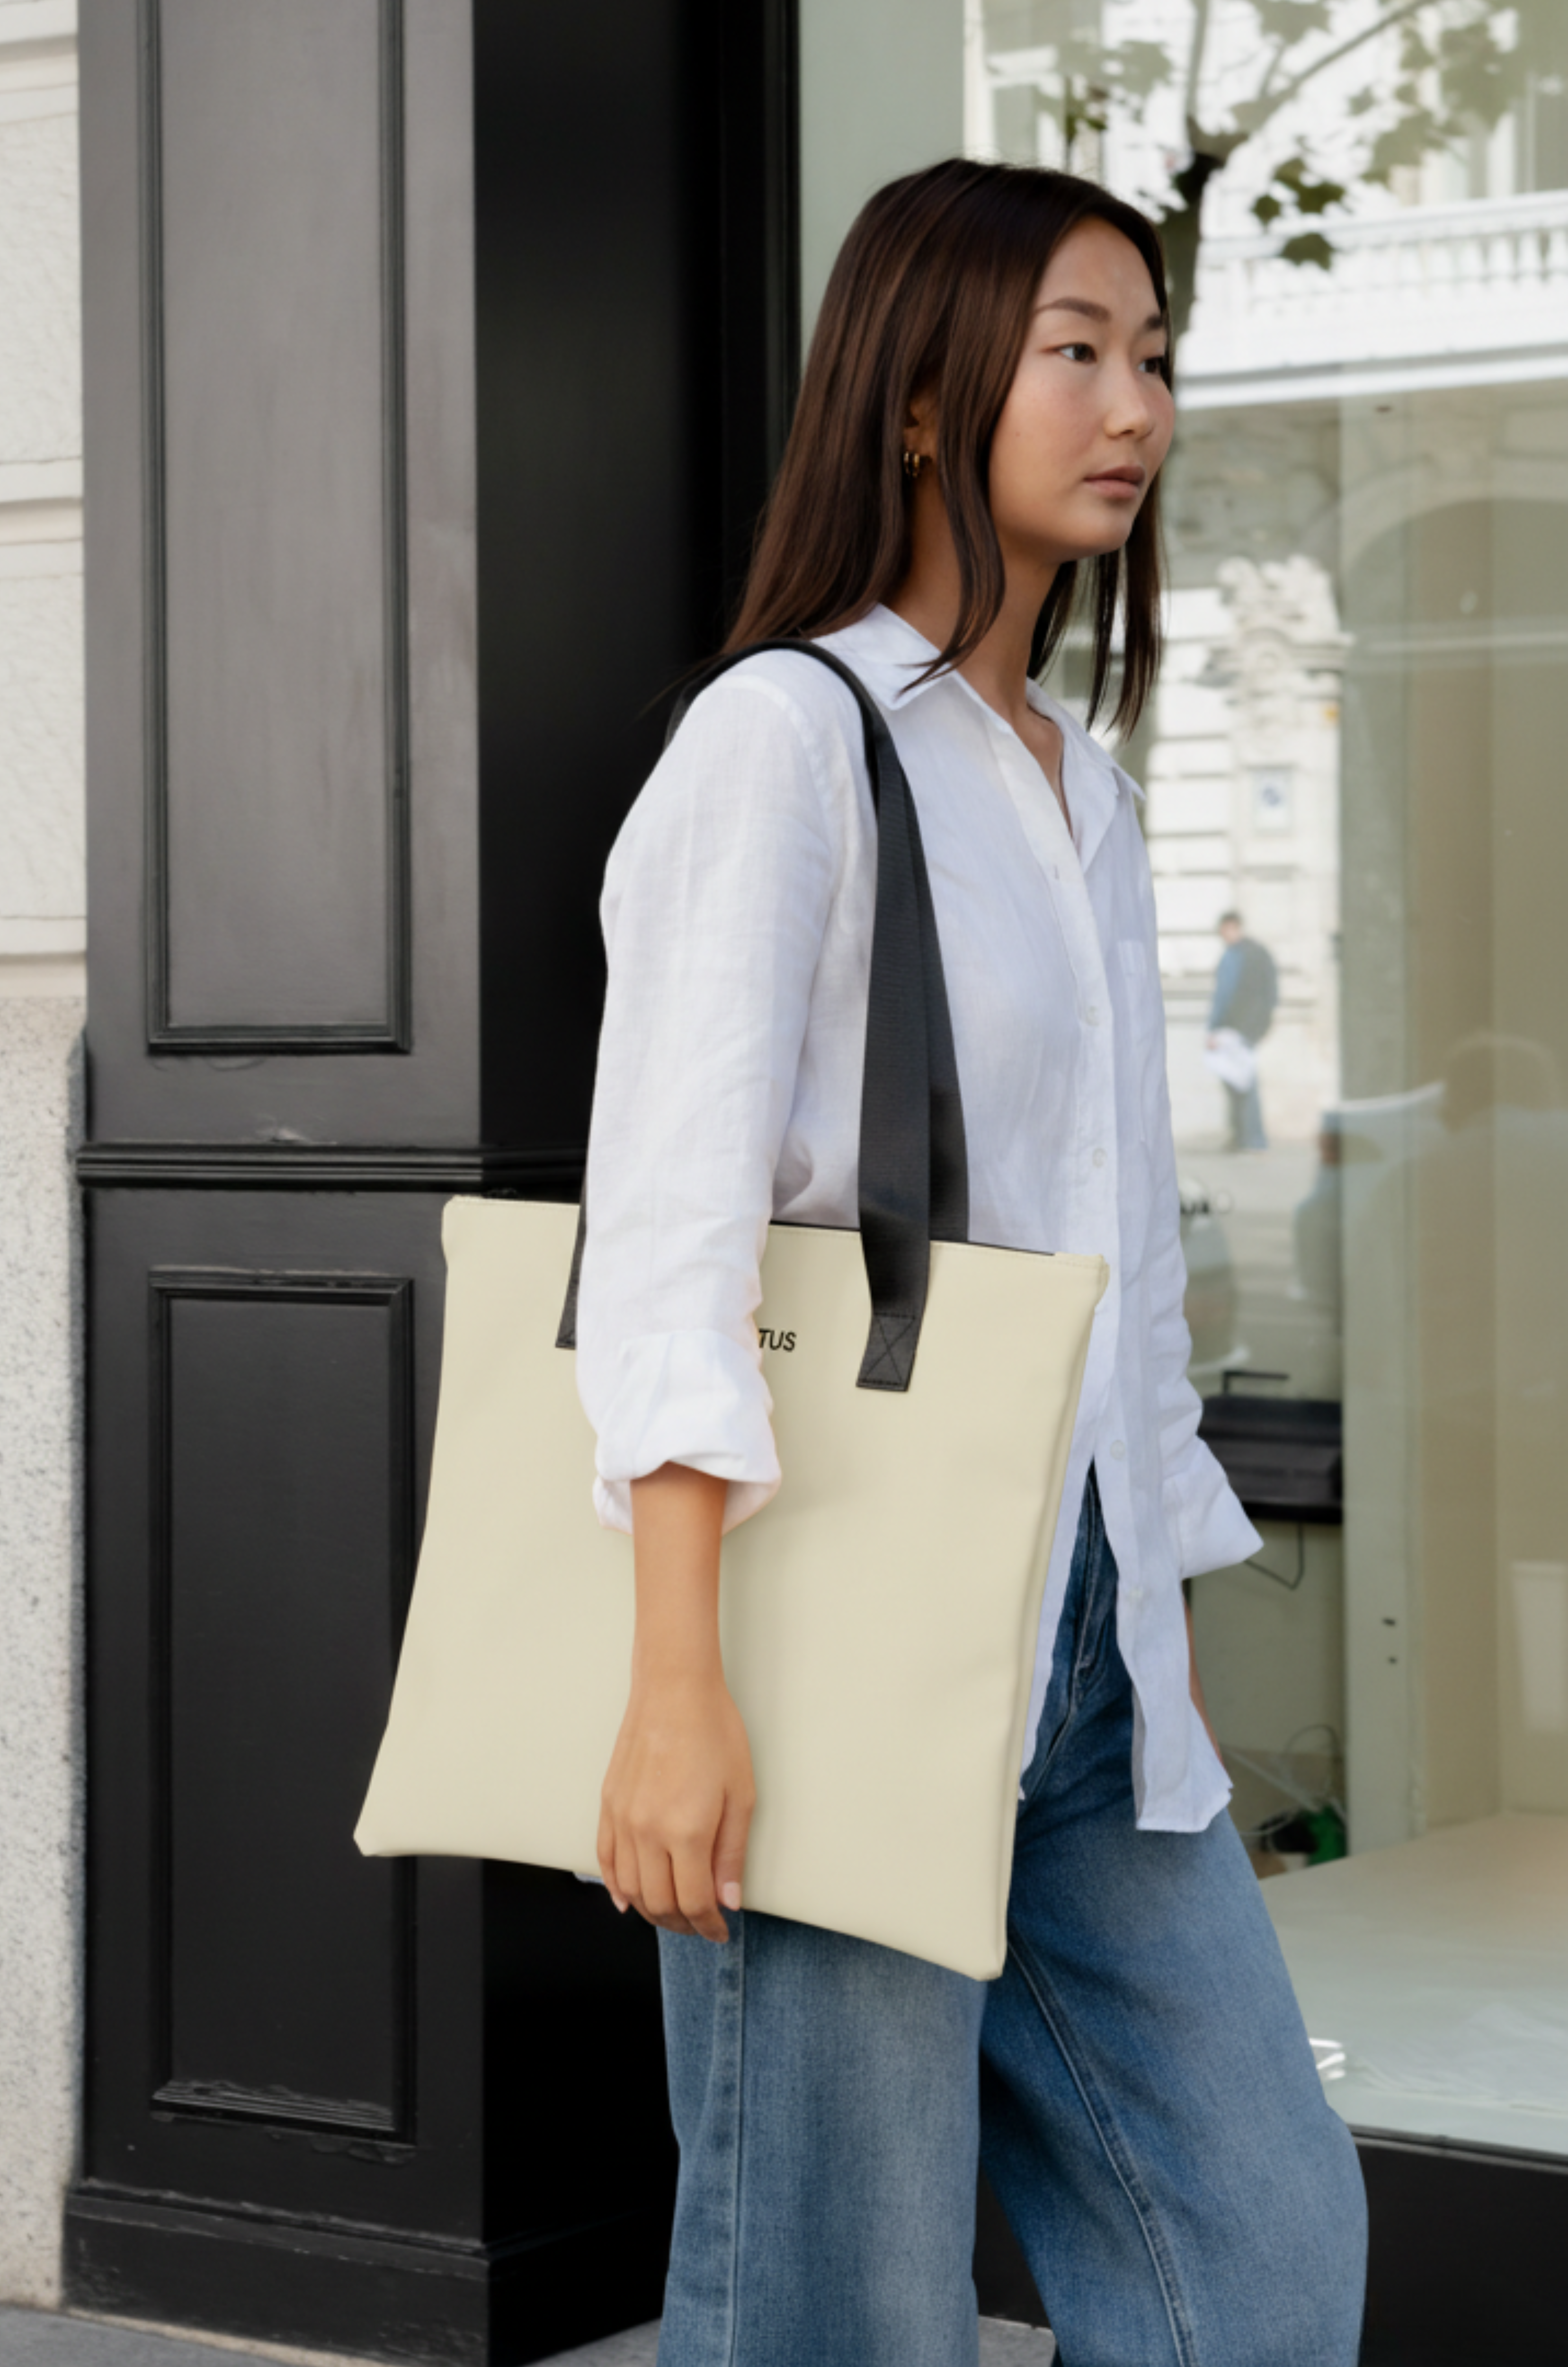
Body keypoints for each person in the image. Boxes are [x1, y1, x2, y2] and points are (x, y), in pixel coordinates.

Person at [574, 160, 1366, 2366]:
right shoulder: (782, 744)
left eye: (1152, 356)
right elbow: (666, 1231)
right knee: (830, 2310)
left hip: (1086, 1648)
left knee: (1260, 2265)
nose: (1133, 404)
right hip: (823, 1616)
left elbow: (1120, 1257)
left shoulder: (1076, 788)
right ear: (920, 399)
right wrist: (670, 1682)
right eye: (1075, 350)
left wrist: (1169, 1649)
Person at [1207, 911, 1279, 1150]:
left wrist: (1256, 1028)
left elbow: (1267, 994)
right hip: (1229, 1029)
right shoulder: (1231, 956)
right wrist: (1214, 1029)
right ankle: (1241, 1136)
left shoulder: (1254, 955)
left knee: (1245, 1083)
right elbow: (1221, 997)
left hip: (1243, 1029)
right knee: (1233, 1083)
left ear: (1234, 927)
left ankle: (1254, 1139)